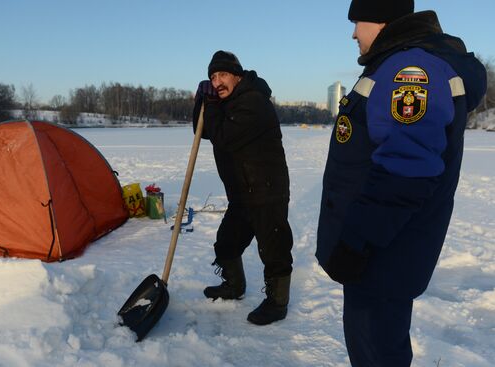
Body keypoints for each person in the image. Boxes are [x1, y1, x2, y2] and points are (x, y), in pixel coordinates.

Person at [316, 0, 487, 365]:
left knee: (377, 352)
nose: (353, 33)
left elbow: (406, 169)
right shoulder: (398, 62)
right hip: (382, 249)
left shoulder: (411, 69)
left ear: (380, 19)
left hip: (380, 254)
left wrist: (357, 243)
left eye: (357, 21)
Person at [193, 50, 293, 325]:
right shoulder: (225, 103)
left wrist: (211, 103)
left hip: (266, 190)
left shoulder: (253, 102)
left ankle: (277, 302)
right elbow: (202, 130)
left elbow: (224, 138)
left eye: (222, 75)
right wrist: (202, 101)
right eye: (212, 77)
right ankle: (234, 286)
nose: (217, 82)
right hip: (241, 193)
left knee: (274, 249)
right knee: (226, 243)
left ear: (237, 76)